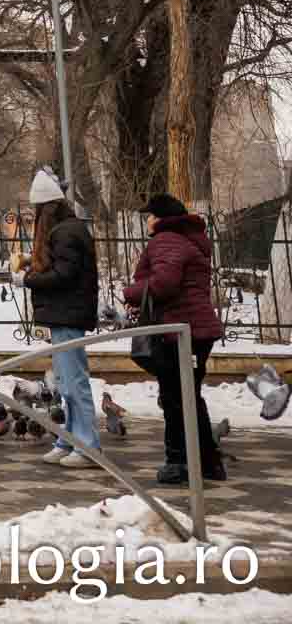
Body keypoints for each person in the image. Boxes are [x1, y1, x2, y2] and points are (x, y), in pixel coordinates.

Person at [123, 192, 226, 484]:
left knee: (174, 398)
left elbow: (165, 283)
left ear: (161, 218)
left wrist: (130, 293)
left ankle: (178, 462)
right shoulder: (190, 239)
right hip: (197, 330)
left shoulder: (166, 239)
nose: (148, 222)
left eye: (150, 216)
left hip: (178, 332)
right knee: (188, 396)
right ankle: (208, 463)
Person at [10, 170, 101, 468]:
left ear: (46, 210)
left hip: (68, 315)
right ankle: (69, 441)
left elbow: (64, 275)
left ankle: (87, 447)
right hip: (64, 315)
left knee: (74, 383)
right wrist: (32, 263)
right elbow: (61, 266)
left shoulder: (65, 233)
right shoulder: (67, 230)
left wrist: (27, 279)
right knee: (65, 384)